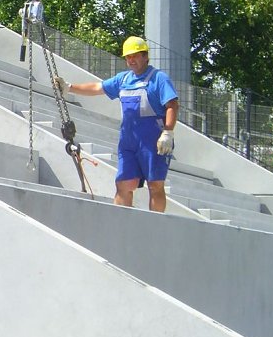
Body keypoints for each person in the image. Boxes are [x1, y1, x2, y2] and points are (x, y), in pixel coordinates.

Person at [53, 36, 179, 212]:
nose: (131, 60)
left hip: (153, 142)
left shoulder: (158, 78)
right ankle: (121, 221)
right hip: (128, 142)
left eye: (135, 56)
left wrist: (168, 132)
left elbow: (172, 105)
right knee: (123, 184)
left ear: (145, 56)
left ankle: (154, 226)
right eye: (128, 57)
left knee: (155, 185)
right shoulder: (123, 79)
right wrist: (69, 87)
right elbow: (98, 87)